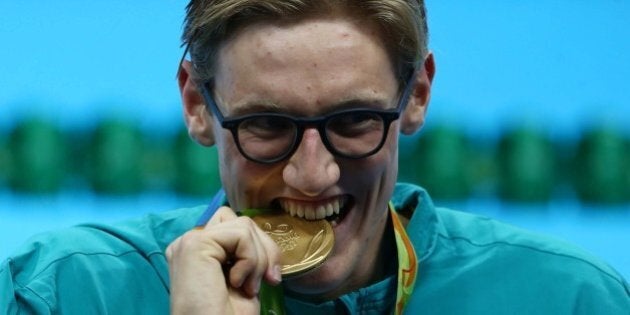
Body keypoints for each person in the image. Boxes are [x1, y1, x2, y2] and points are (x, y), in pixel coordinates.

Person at [1, 0, 629, 314]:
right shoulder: (63, 293)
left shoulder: (570, 299)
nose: (313, 173)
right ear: (197, 105)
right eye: (267, 125)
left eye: (355, 121)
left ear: (417, 97)